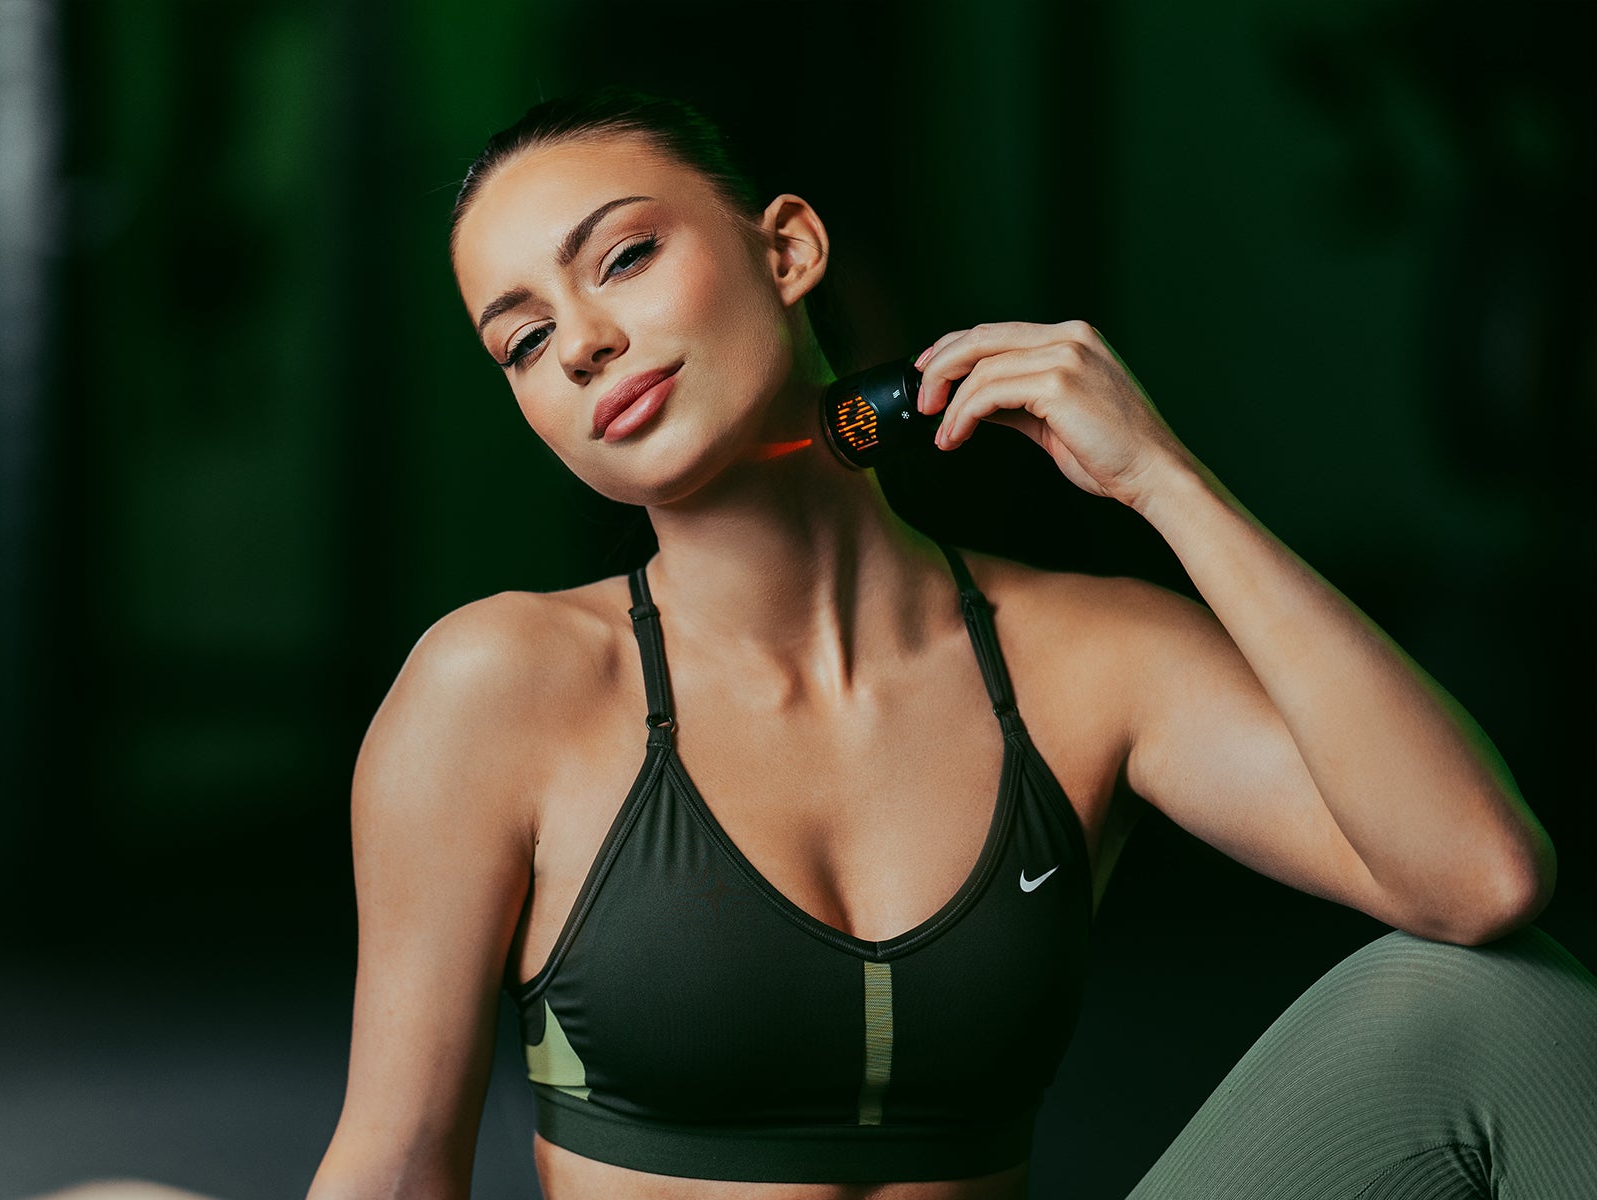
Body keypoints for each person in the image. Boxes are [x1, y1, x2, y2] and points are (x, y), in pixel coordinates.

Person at [306, 88, 1597, 1199]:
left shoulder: (1084, 656)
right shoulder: (502, 683)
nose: (582, 343)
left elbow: (1476, 879)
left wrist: (1164, 482)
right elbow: (396, 1162)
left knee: (1501, 1007)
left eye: (625, 258)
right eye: (524, 340)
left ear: (789, 249)